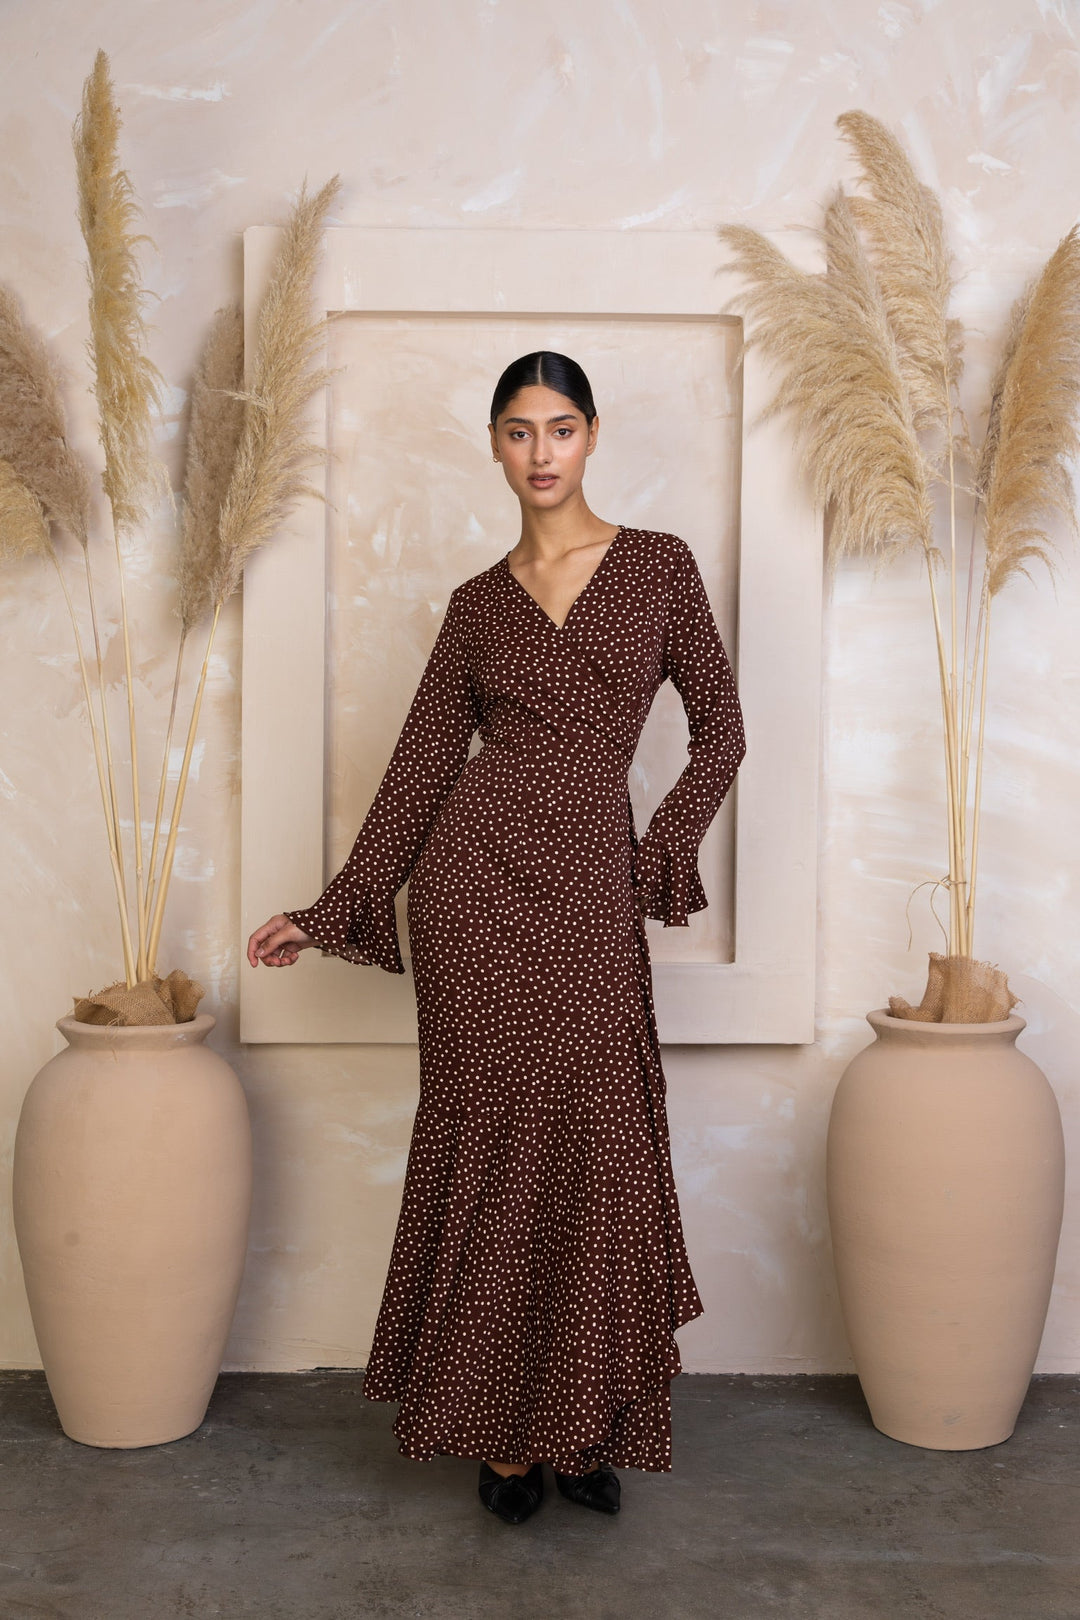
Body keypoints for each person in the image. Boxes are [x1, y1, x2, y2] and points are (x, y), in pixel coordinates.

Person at [247, 351, 746, 1525]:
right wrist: (334, 908)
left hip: (587, 893)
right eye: (518, 432)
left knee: (595, 1146)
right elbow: (424, 767)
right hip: (474, 900)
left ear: (592, 436)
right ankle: (505, 1438)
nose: (540, 453)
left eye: (559, 428)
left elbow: (720, 728)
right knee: (491, 1151)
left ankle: (585, 1425)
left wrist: (658, 850)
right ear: (493, 445)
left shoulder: (659, 568)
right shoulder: (477, 605)